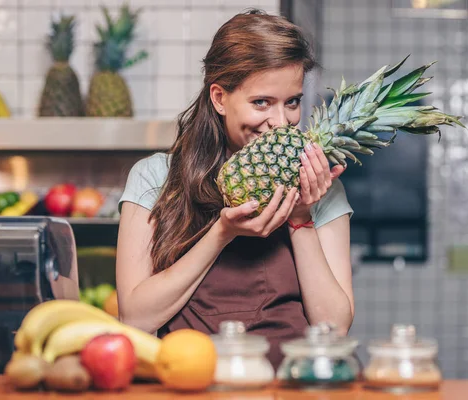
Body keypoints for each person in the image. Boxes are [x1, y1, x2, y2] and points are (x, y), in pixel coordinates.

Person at [116, 9, 354, 368]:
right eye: (261, 102)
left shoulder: (320, 187)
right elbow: (134, 318)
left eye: (292, 102)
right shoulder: (154, 178)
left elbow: (334, 329)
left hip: (292, 387)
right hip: (191, 385)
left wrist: (302, 217)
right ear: (219, 98)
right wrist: (222, 233)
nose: (280, 122)